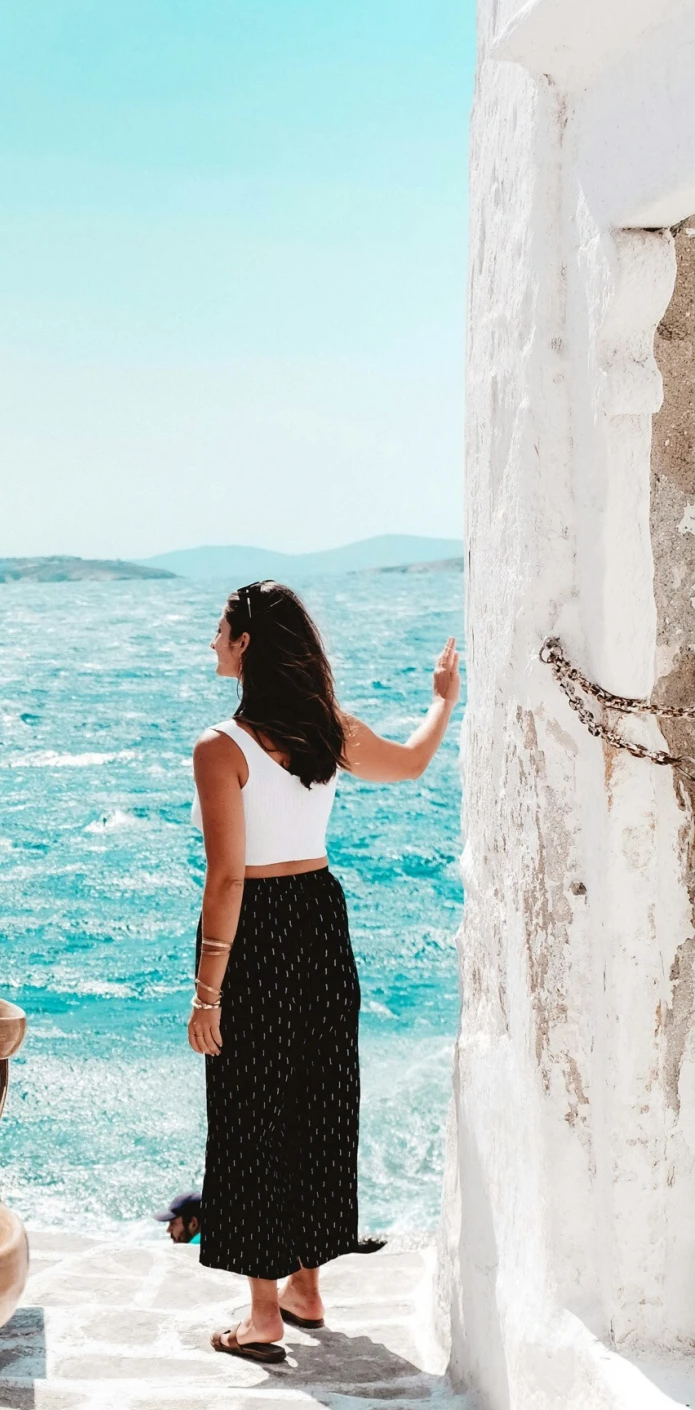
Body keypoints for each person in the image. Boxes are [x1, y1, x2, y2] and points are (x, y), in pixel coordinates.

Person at [187, 581, 458, 1363]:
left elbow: (227, 879)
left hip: (259, 928)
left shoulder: (219, 748)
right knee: (317, 1096)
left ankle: (263, 1314)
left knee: (247, 1112)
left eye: (218, 630)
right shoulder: (325, 731)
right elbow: (409, 765)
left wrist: (207, 992)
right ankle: (307, 1285)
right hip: (319, 917)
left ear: (244, 645)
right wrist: (443, 700)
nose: (210, 644)